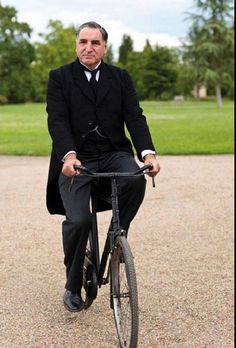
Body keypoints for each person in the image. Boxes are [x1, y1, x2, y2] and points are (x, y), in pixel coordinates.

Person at [46, 21, 160, 312]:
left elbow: (135, 116)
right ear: (76, 45)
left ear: (104, 47)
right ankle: (73, 285)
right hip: (77, 158)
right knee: (80, 221)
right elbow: (57, 120)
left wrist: (148, 154)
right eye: (83, 41)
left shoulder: (120, 78)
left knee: (136, 179)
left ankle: (117, 237)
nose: (88, 47)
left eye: (95, 42)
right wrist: (68, 156)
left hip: (112, 152)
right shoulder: (59, 77)